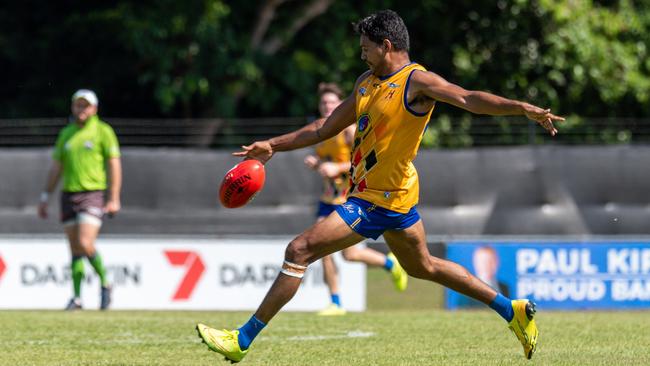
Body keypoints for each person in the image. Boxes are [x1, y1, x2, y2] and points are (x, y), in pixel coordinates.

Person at [196, 9, 563, 362]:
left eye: (366, 47)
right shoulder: (366, 83)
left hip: (378, 201)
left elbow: (467, 98)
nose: (362, 54)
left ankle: (241, 340)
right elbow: (325, 129)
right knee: (424, 267)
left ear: (386, 45)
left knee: (299, 250)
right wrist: (273, 145)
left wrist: (520, 108)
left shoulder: (417, 81)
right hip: (396, 196)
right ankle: (511, 310)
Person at [305, 82, 408, 316]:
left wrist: (335, 168)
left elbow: (365, 159)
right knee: (321, 250)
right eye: (324, 102)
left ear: (340, 104)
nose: (327, 106)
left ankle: (391, 264)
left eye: (332, 102)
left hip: (349, 199)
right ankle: (336, 302)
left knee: (350, 255)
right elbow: (328, 164)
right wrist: (319, 165)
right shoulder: (321, 131)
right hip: (327, 200)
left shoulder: (349, 130)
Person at [38, 89, 122, 311]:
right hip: (68, 195)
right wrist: (45, 196)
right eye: (78, 105)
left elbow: (114, 164)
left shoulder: (103, 131)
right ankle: (76, 298)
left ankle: (106, 283)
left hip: (92, 194)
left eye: (86, 105)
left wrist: (113, 198)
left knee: (85, 243)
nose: (81, 109)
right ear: (73, 107)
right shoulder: (67, 134)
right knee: (75, 248)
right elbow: (57, 167)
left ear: (94, 108)